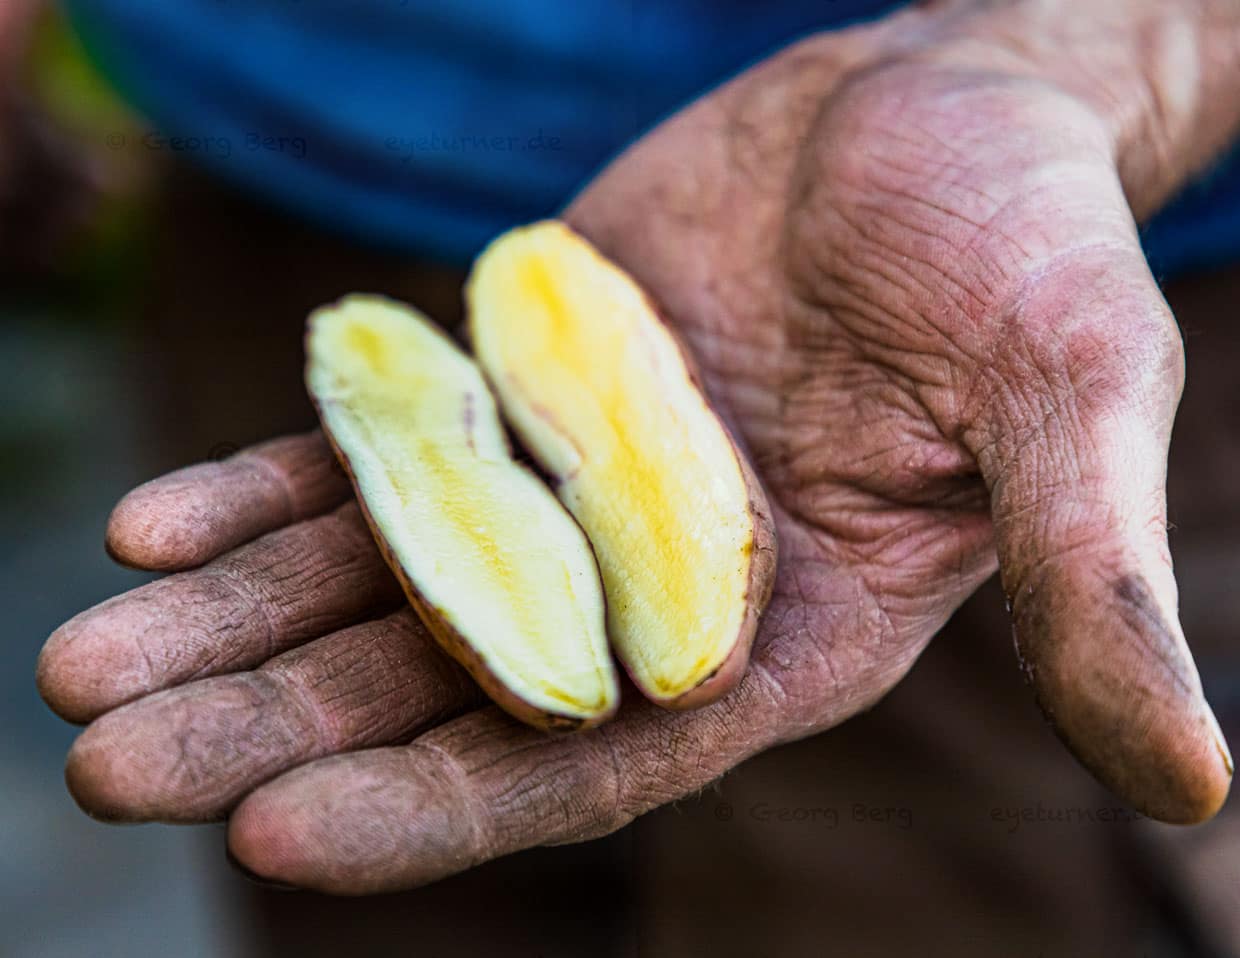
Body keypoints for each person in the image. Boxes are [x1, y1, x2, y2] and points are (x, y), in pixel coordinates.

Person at [30, 0, 1240, 913]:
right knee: (376, 885)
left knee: (907, 888)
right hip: (274, 144)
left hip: (912, 306)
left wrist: (1111, 44)